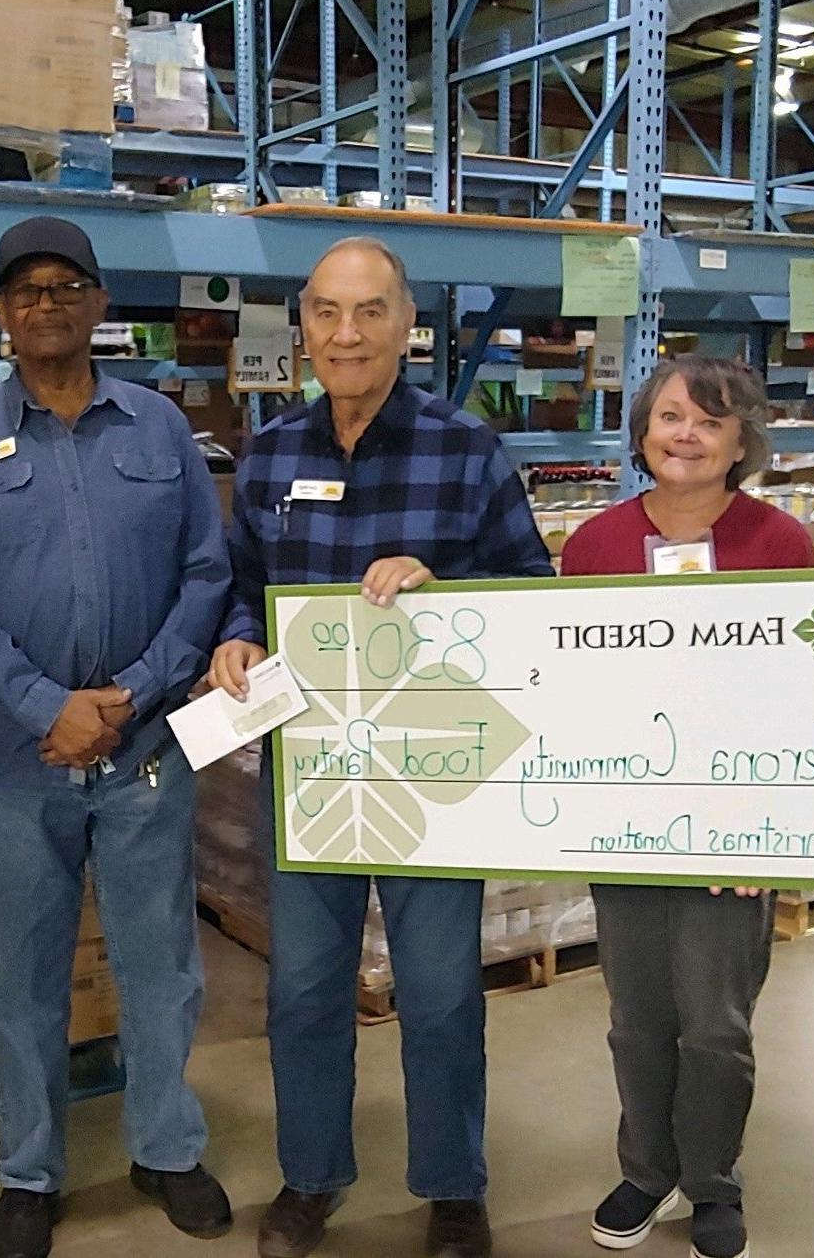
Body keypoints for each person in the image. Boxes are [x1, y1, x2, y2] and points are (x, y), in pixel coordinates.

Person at [207, 236, 554, 1258]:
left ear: (408, 325)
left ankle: (453, 1186)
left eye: (368, 313)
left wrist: (447, 593)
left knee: (441, 992)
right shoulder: (271, 451)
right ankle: (311, 1176)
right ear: (303, 326)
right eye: (325, 312)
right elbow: (241, 579)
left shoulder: (466, 450)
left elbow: (532, 594)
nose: (345, 334)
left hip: (428, 769)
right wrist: (235, 632)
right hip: (309, 770)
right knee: (306, 989)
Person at [0, 216, 233, 1258]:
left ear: (98, 304)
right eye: (25, 291)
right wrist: (45, 703)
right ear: (1, 315)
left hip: (144, 751)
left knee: (160, 967)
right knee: (23, 972)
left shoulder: (160, 429)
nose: (46, 305)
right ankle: (30, 1170)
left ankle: (166, 1148)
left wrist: (129, 693)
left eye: (66, 286)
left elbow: (205, 576)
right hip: (18, 759)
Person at [560, 356, 813, 1258]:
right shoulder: (590, 546)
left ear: (741, 439)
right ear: (640, 432)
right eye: (669, 415)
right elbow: (567, 683)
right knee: (636, 1013)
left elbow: (803, 698)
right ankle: (645, 1168)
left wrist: (768, 833)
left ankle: (712, 1179)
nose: (686, 434)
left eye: (710, 420)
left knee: (715, 1017)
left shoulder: (779, 544)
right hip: (626, 816)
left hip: (732, 832)